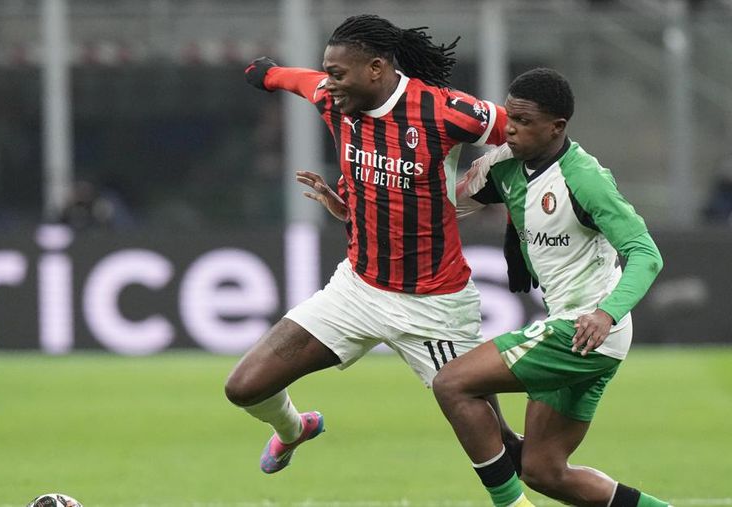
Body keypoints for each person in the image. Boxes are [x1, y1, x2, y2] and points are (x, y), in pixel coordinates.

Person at [226, 14, 525, 496]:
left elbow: (525, 131)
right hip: (357, 290)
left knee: (507, 450)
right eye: (328, 71)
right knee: (244, 386)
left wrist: (499, 194)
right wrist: (268, 74)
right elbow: (302, 81)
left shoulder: (445, 111)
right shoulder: (334, 99)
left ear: (377, 69)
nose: (329, 82)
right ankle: (294, 429)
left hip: (435, 306)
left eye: (339, 73)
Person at [432, 68, 672, 507]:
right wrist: (352, 207)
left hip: (587, 328)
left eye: (523, 121)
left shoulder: (584, 179)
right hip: (581, 331)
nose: (510, 128)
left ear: (557, 126)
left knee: (451, 383)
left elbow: (645, 253)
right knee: (543, 471)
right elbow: (440, 202)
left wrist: (606, 313)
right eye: (510, 117)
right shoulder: (504, 165)